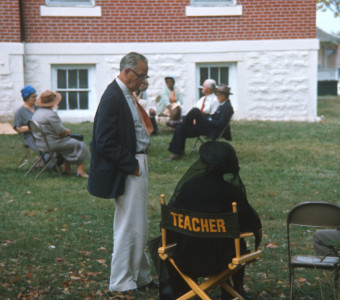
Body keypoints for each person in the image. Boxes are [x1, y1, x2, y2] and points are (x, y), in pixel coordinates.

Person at [87, 52, 157, 295]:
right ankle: (121, 281)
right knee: (129, 225)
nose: (143, 80)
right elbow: (102, 141)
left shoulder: (127, 93)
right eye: (140, 75)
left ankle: (141, 275)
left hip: (137, 160)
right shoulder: (113, 96)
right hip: (130, 165)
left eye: (145, 75)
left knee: (139, 224)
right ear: (127, 72)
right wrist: (131, 164)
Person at [159, 141, 262, 300]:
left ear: (204, 163)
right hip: (224, 260)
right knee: (234, 242)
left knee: (200, 237)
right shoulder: (232, 192)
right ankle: (236, 289)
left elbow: (171, 223)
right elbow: (252, 224)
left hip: (185, 257)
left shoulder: (188, 187)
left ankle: (190, 288)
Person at [166, 84, 234, 160]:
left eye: (218, 94)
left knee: (195, 111)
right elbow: (214, 117)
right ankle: (178, 153)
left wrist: (207, 121)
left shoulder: (227, 107)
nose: (217, 96)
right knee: (180, 128)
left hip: (212, 130)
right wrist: (207, 118)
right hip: (208, 127)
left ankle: (180, 121)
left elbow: (220, 123)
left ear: (224, 95)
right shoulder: (222, 105)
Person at [32, 90, 89, 178]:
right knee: (80, 144)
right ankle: (80, 171)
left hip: (40, 143)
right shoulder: (51, 115)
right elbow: (61, 133)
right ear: (52, 103)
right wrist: (67, 131)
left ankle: (67, 168)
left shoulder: (37, 113)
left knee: (68, 144)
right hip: (52, 144)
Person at [13, 86, 38, 151]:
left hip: (43, 135)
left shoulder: (38, 108)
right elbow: (18, 128)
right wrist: (33, 127)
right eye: (33, 97)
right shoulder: (20, 111)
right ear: (26, 98)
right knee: (49, 148)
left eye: (36, 96)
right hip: (31, 138)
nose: (35, 98)